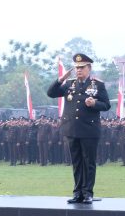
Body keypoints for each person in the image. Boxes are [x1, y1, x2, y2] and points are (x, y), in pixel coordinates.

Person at [47, 53, 111, 203]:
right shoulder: (69, 84)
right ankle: (77, 193)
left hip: (89, 130)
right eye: (76, 68)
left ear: (89, 68)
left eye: (82, 67)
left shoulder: (97, 85)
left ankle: (87, 192)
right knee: (76, 162)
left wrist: (94, 104)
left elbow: (107, 105)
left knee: (88, 162)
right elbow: (51, 93)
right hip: (71, 129)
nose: (79, 70)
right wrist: (61, 79)